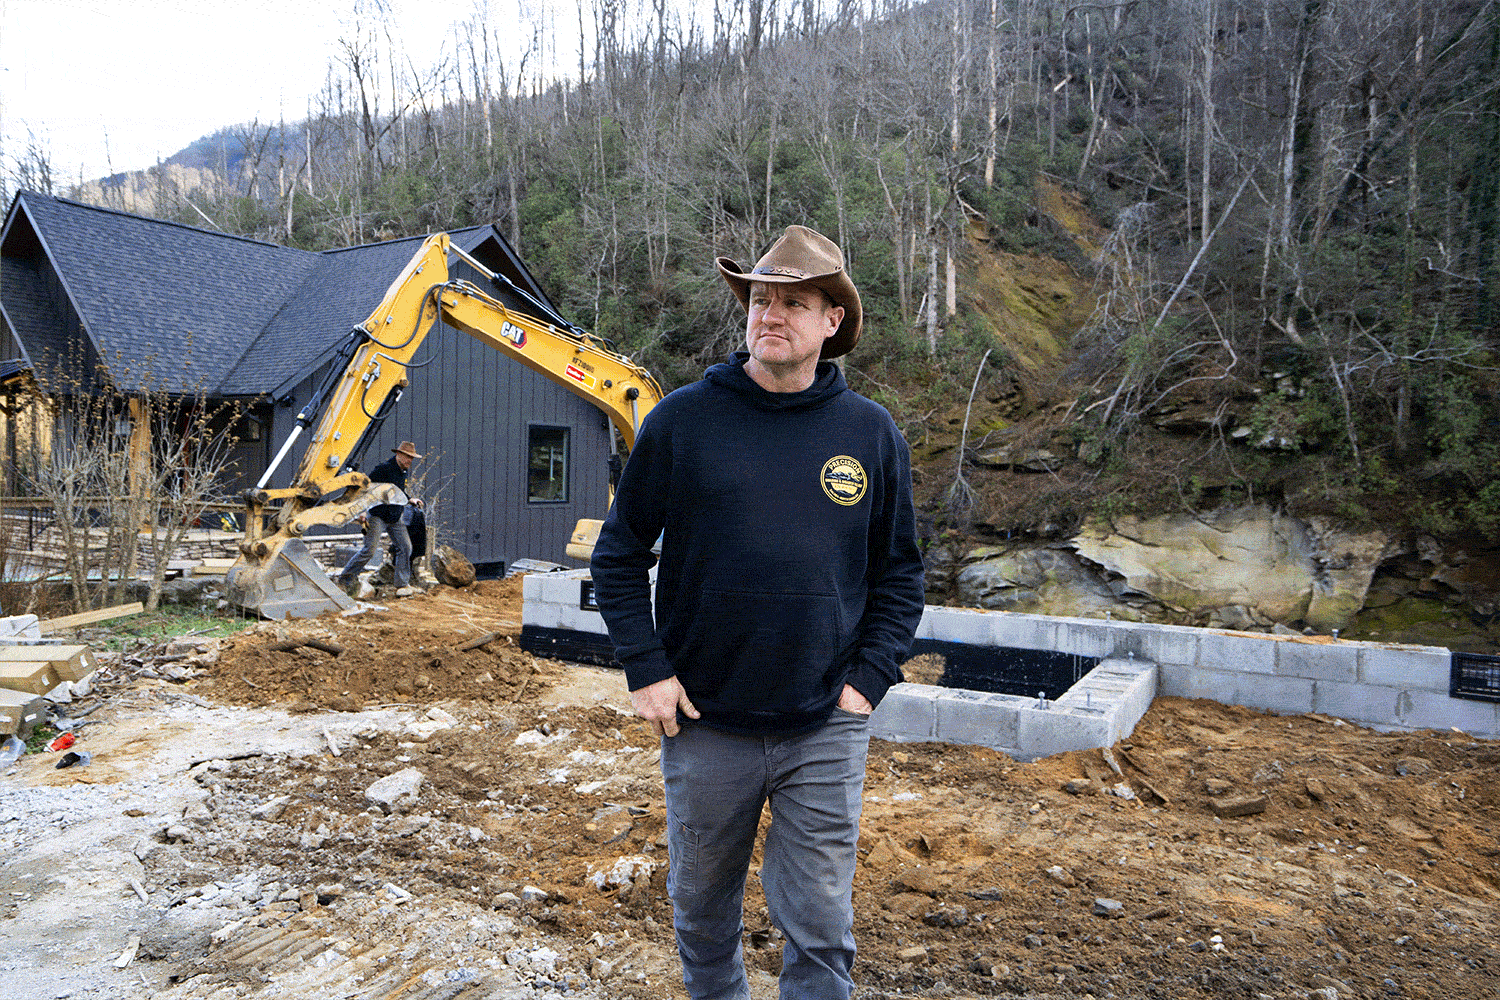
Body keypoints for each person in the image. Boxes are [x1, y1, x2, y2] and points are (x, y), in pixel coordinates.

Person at [590, 225, 925, 1000]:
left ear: (831, 321)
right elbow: (618, 554)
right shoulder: (683, 421)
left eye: (793, 303)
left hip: (825, 723)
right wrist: (647, 670)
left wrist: (867, 683)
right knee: (703, 911)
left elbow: (901, 574)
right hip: (705, 720)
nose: (770, 315)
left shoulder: (869, 434)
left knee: (821, 926)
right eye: (760, 300)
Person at [336, 441, 425, 597]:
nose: (410, 461)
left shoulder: (403, 471)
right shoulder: (383, 469)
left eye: (412, 458)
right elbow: (366, 489)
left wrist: (409, 499)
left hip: (395, 516)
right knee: (369, 550)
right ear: (399, 454)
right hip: (378, 516)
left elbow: (398, 491)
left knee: (406, 547)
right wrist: (362, 511)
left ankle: (402, 584)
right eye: (407, 457)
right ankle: (346, 578)